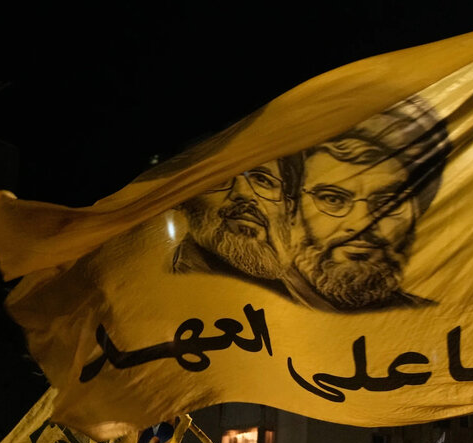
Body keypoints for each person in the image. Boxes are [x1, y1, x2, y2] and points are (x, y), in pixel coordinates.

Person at [286, 96, 450, 311]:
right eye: (333, 199)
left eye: (389, 202)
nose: (362, 224)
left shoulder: (432, 317)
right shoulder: (252, 294)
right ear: (292, 208)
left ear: (416, 210)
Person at [172, 160, 297, 282]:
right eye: (219, 178)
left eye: (261, 179)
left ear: (289, 208)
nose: (244, 193)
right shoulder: (179, 283)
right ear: (184, 200)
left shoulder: (297, 285)